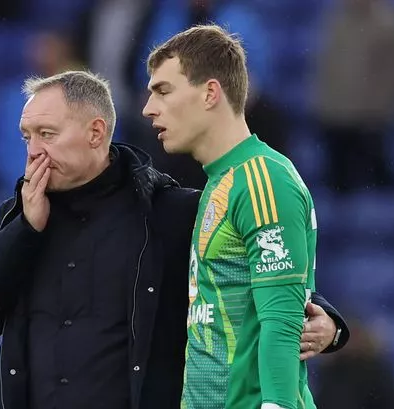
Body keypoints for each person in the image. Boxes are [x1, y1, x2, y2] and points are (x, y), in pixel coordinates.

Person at [0, 70, 349, 409]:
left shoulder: (166, 211)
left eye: (46, 134)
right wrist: (25, 231)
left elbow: (262, 265)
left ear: (95, 132)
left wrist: (329, 323)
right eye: (26, 137)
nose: (33, 151)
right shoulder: (20, 216)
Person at [142, 24, 328, 409]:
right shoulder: (221, 181)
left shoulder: (263, 179)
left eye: (163, 90)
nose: (148, 108)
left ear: (211, 93)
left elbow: (280, 318)